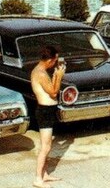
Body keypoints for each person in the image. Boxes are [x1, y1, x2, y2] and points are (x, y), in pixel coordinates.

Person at [31, 45, 66, 188]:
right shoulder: (40, 73)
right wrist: (59, 76)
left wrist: (55, 76)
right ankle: (38, 179)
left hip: (48, 111)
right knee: (45, 147)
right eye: (55, 60)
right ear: (50, 60)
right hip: (44, 112)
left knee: (48, 145)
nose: (55, 63)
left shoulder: (42, 71)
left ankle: (44, 174)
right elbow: (53, 92)